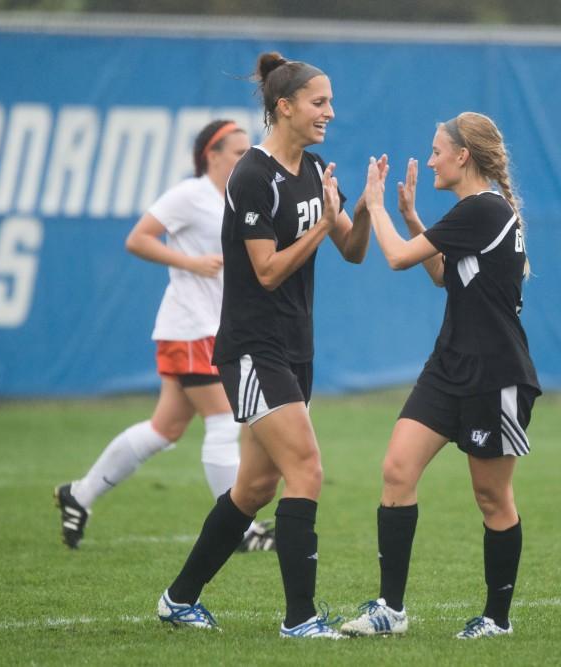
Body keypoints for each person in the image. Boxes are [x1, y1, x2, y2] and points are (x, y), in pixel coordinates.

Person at [155, 52, 374, 639]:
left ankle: (178, 600)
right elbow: (268, 270)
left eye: (329, 102)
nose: (330, 111)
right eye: (319, 102)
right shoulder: (252, 175)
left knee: (253, 486)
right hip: (252, 348)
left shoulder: (315, 167)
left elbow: (352, 252)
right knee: (306, 469)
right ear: (284, 107)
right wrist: (323, 226)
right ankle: (300, 620)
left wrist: (365, 207)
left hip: (295, 348)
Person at [339, 112, 540, 639]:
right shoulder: (473, 214)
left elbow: (400, 260)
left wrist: (377, 206)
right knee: (396, 471)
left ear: (462, 156)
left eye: (435, 151)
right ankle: (391, 610)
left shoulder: (484, 209)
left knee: (492, 499)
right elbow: (442, 276)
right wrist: (410, 215)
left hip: (495, 376)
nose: (429, 160)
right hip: (448, 367)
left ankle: (497, 620)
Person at [54, 120, 275, 553]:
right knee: (224, 420)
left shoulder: (235, 196)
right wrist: (190, 263)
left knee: (166, 427)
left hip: (207, 326)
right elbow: (138, 239)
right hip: (191, 326)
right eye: (236, 151)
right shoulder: (190, 195)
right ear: (211, 155)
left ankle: (79, 494)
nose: (243, 158)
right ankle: (239, 530)